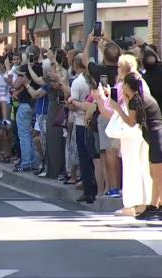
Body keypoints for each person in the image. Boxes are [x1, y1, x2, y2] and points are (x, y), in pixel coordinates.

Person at [106, 72, 155, 216]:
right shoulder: (137, 98)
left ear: (127, 85)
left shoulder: (135, 100)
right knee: (141, 169)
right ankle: (143, 202)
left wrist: (117, 107)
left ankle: (133, 204)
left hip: (134, 136)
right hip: (141, 136)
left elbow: (130, 122)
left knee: (132, 169)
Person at [83, 31, 122, 198]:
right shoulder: (124, 71)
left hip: (105, 114)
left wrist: (88, 41)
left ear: (104, 57)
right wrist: (108, 41)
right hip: (123, 113)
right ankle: (117, 186)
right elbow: (123, 54)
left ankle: (113, 187)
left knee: (107, 151)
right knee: (120, 152)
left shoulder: (99, 71)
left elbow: (85, 59)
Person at [68, 53, 98, 204]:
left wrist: (69, 102)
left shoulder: (77, 82)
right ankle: (96, 187)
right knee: (94, 158)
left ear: (75, 64)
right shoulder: (93, 80)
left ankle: (88, 191)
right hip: (95, 122)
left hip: (81, 122)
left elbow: (73, 103)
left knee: (84, 158)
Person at [13, 45, 42, 172]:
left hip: (25, 104)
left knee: (24, 135)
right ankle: (35, 161)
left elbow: (16, 84)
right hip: (36, 104)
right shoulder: (41, 68)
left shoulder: (24, 68)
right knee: (33, 134)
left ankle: (26, 163)